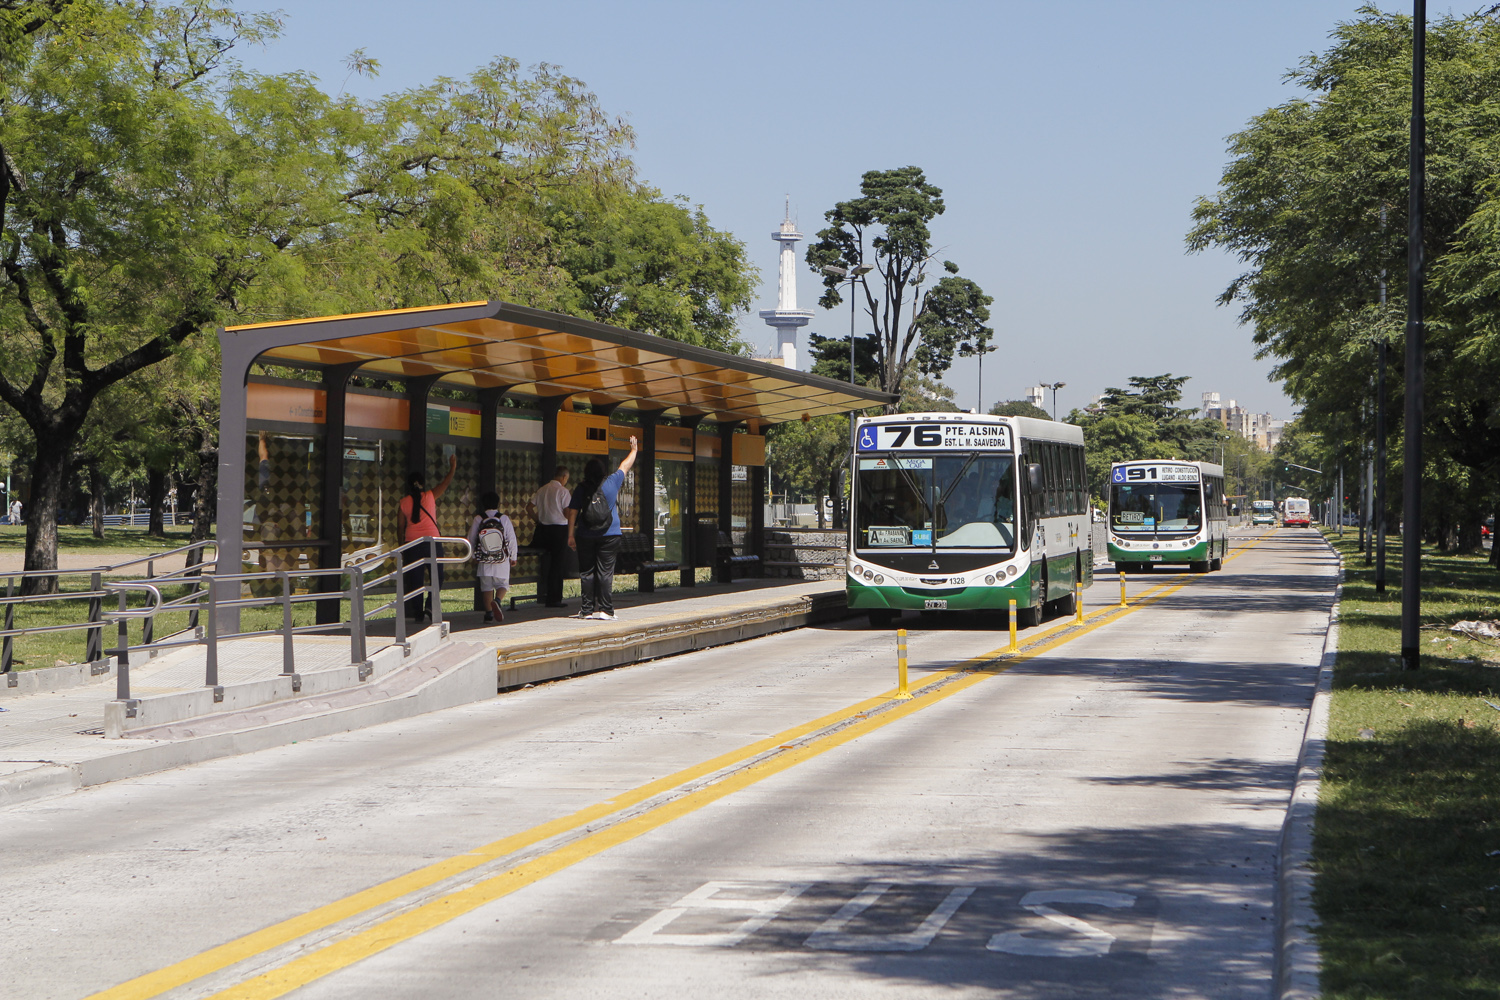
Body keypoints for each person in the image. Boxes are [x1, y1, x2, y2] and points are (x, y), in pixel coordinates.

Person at [566, 436, 638, 621]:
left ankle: (586, 610)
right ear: (603, 471)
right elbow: (625, 466)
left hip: (585, 534)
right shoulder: (612, 482)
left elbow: (573, 512)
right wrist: (634, 450)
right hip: (610, 534)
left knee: (587, 572)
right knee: (605, 572)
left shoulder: (581, 488)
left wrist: (571, 535)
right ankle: (606, 610)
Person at [398, 452, 457, 621]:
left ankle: (418, 613)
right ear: (422, 484)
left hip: (411, 544)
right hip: (432, 542)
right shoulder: (430, 496)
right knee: (437, 576)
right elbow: (445, 483)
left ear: (409, 486)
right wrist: (453, 467)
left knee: (415, 580)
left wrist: (402, 547)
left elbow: (400, 527)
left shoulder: (403, 502)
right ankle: (430, 605)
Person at [467, 491, 516, 623]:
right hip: (501, 559)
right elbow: (511, 539)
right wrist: (513, 556)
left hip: (484, 559)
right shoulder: (504, 518)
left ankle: (488, 614)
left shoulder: (478, 519)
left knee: (486, 587)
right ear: (497, 503)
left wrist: (473, 555)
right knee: (503, 584)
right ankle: (498, 601)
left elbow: (471, 538)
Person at [526, 466, 571, 608]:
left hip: (543, 530)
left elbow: (529, 507)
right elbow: (566, 514)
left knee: (546, 561)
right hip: (559, 530)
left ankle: (545, 593)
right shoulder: (563, 492)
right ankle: (554, 598)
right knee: (558, 564)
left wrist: (537, 519)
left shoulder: (542, 490)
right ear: (564, 477)